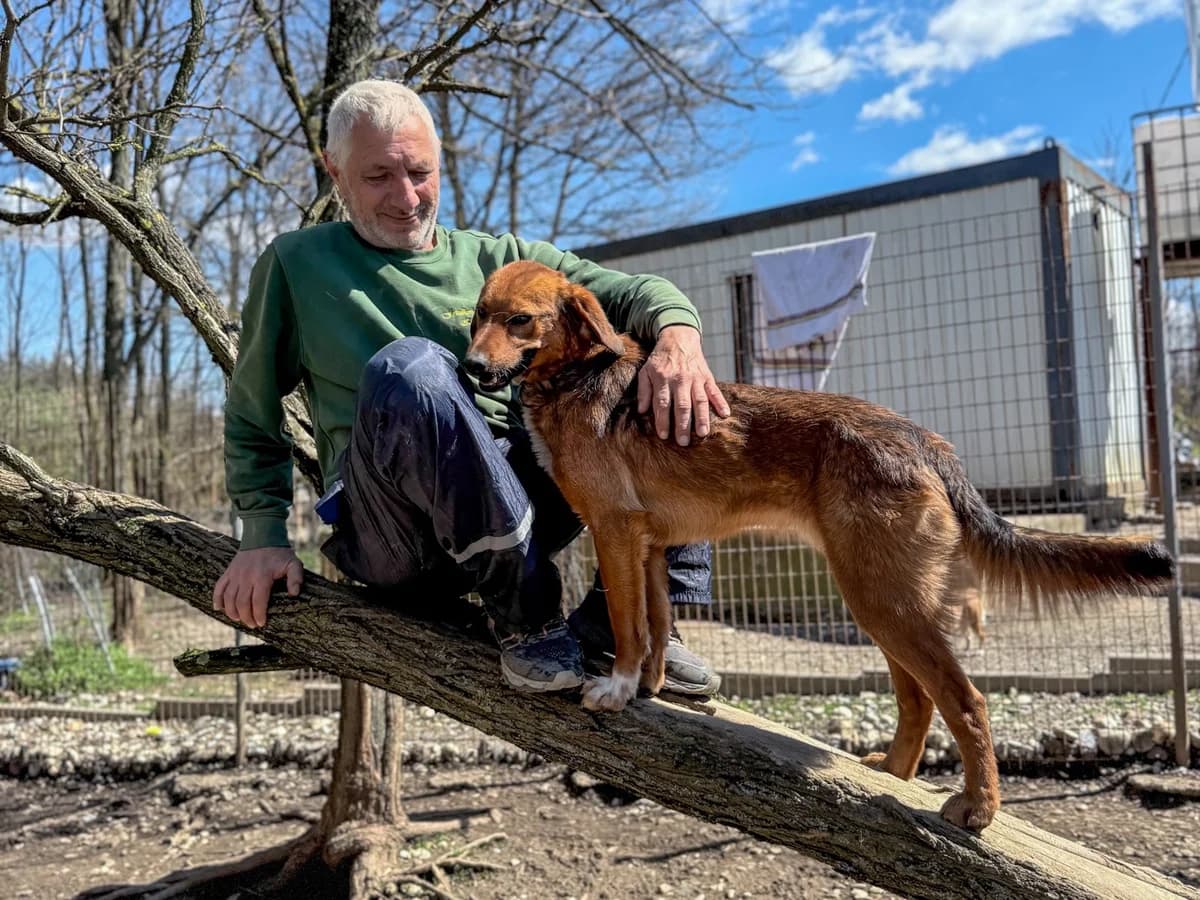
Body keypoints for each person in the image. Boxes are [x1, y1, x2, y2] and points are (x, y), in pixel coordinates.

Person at [212, 79, 730, 696]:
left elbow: (634, 293)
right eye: (378, 176)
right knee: (412, 367)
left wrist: (680, 339)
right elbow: (252, 410)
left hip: (518, 507)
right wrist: (262, 535)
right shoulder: (296, 263)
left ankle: (630, 623)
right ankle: (527, 620)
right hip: (396, 534)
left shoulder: (500, 261)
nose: (406, 197)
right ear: (335, 171)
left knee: (656, 371)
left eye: (420, 172)